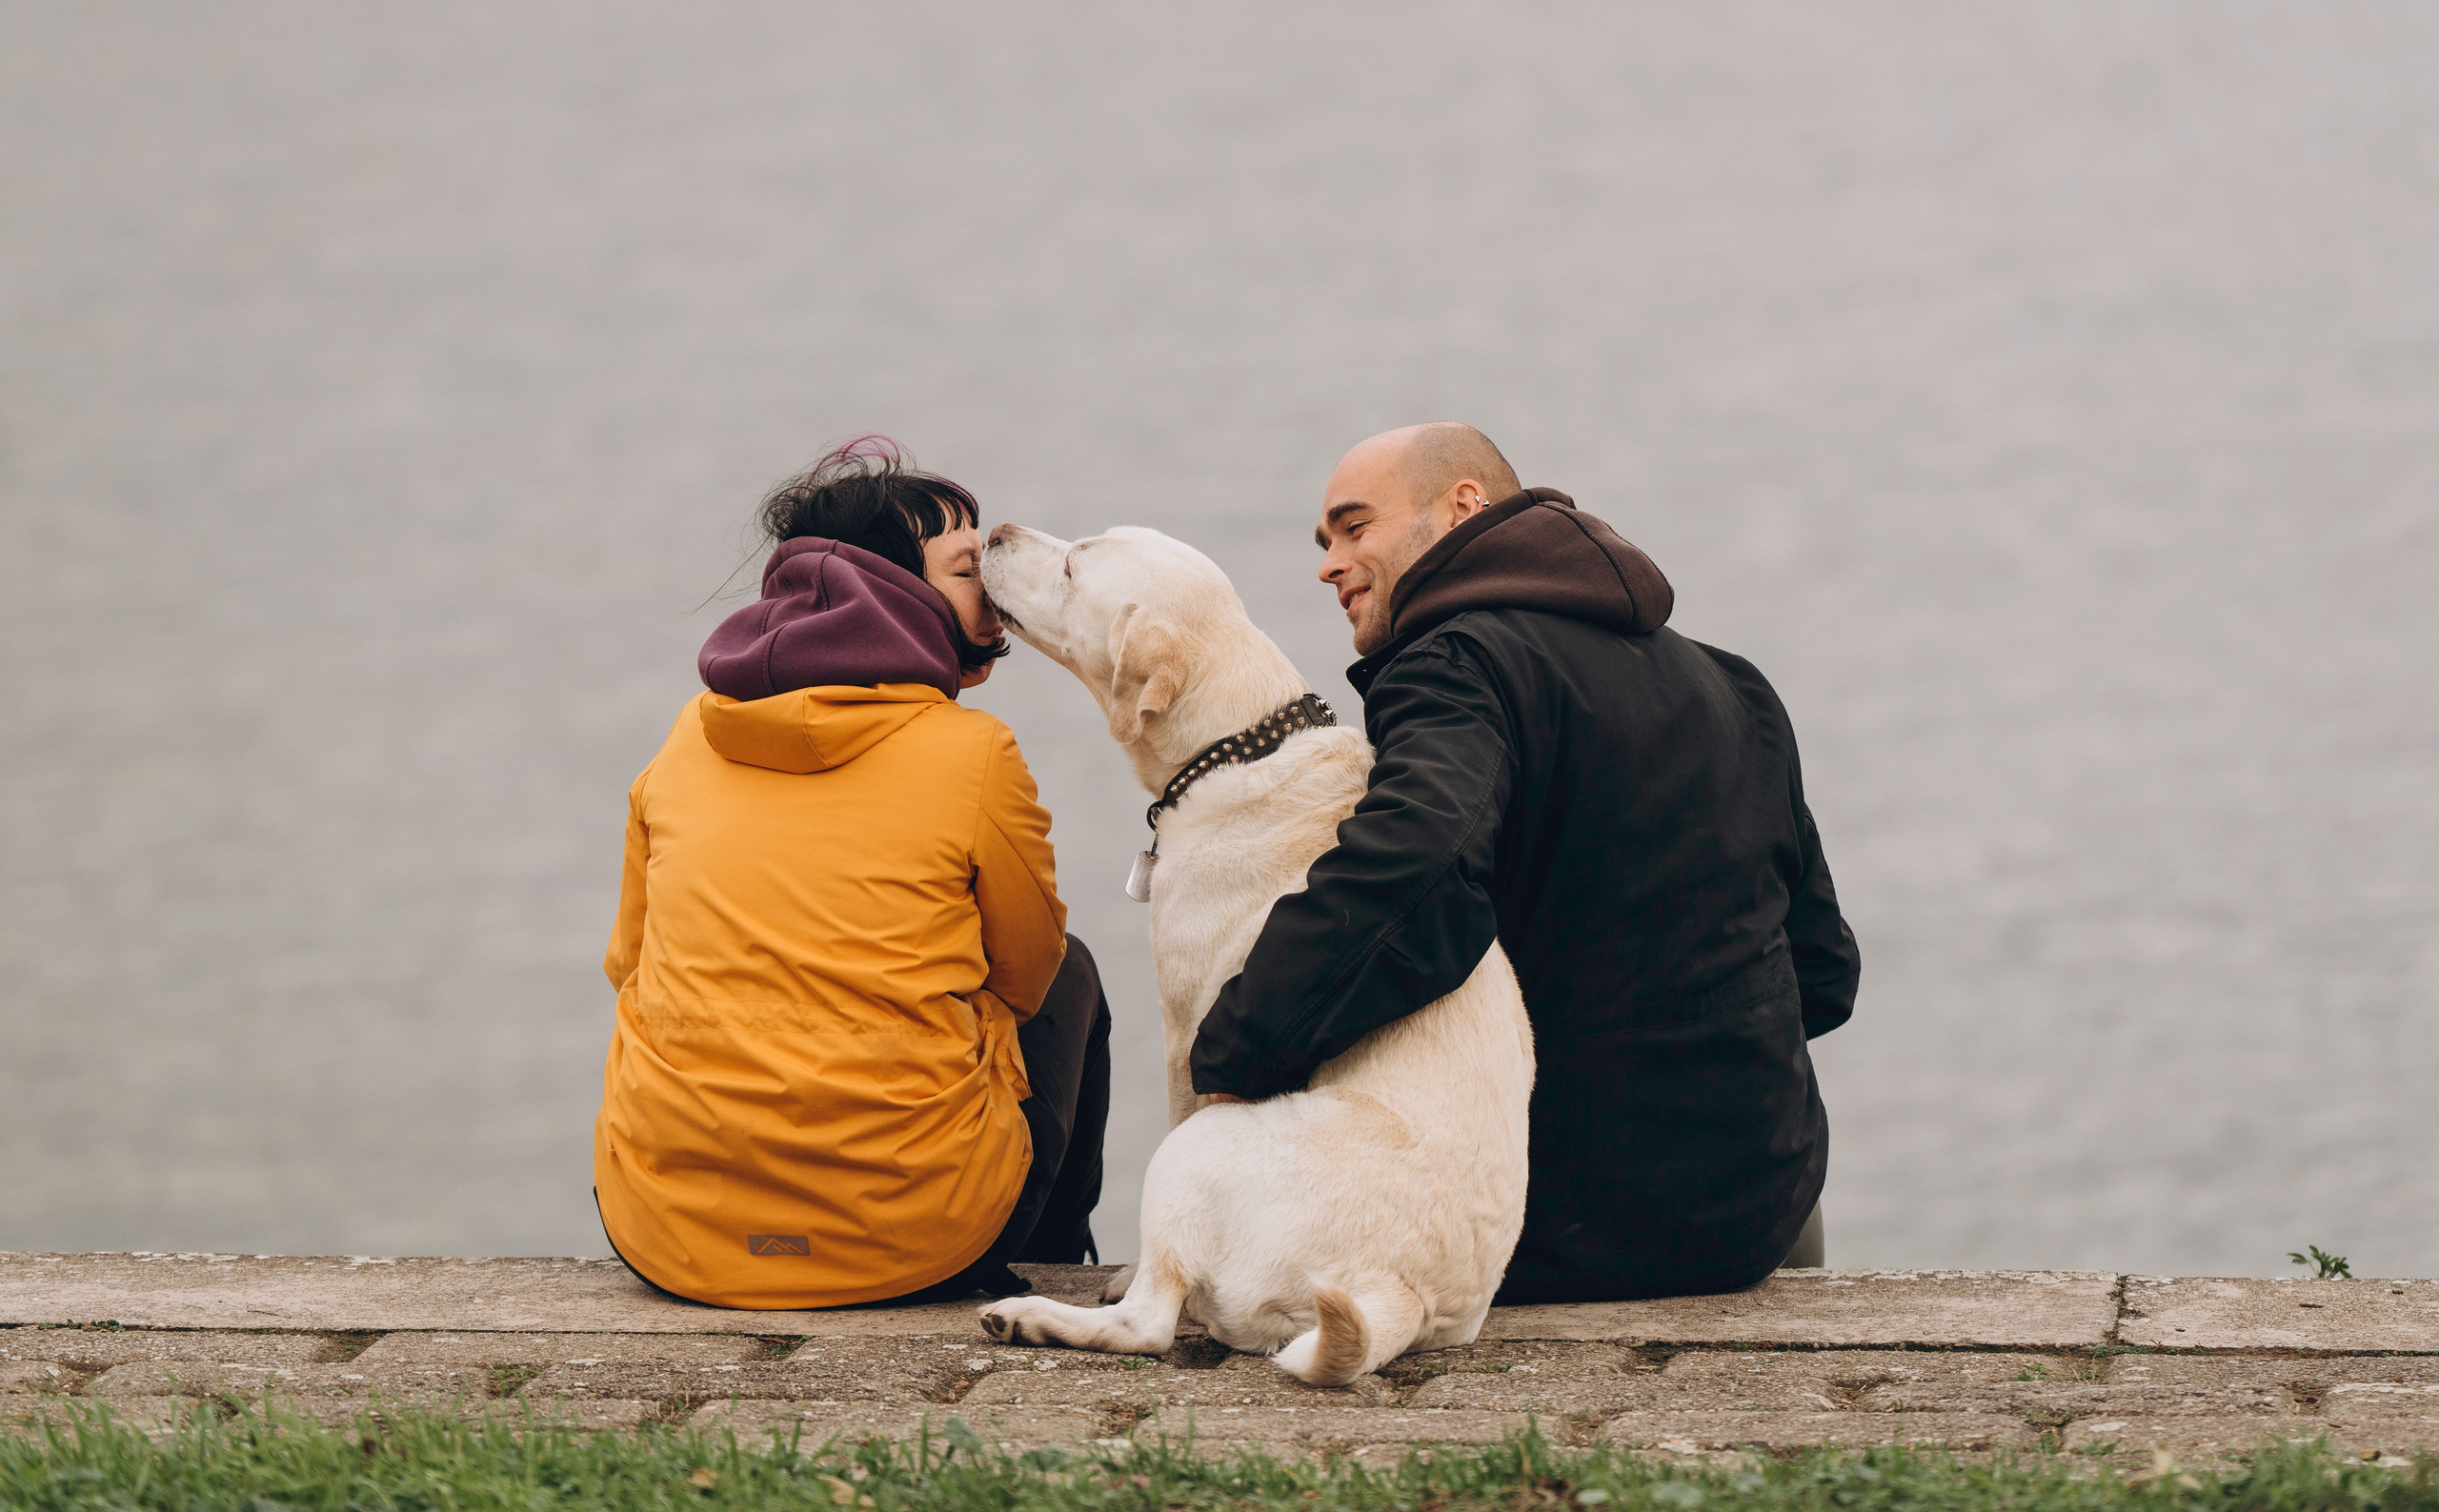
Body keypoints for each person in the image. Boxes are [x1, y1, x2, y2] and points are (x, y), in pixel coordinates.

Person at [1191, 423, 1858, 1300]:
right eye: (1326, 542)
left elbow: (1414, 882)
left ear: (1465, 506)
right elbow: (1824, 971)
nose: (1329, 563)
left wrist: (1240, 1054)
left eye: (1354, 528)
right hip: (1760, 1212)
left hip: (1569, 1224)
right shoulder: (1729, 681)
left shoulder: (1453, 665)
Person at [594, 437, 1110, 1310]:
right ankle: (1055, 1271)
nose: (994, 588)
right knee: (1073, 973)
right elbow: (1024, 976)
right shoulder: (973, 752)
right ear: (889, 593)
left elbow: (628, 965)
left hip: (671, 1235)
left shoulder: (689, 737)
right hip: (919, 1238)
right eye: (965, 569)